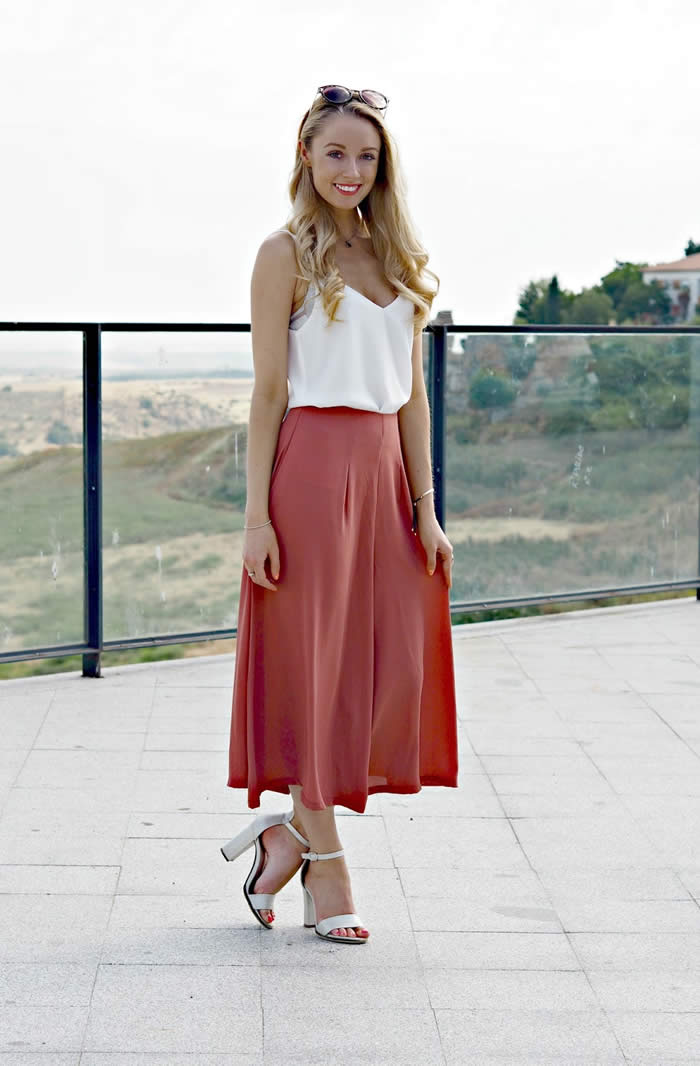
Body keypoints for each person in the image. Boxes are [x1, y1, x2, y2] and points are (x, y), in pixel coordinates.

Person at [222, 85, 459, 945]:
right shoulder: (283, 253)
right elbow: (268, 393)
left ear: (383, 165)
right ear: (306, 156)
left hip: (385, 476)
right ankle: (328, 868)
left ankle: (289, 835)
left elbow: (413, 395)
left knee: (379, 670)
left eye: (366, 155)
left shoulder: (398, 257)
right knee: (311, 668)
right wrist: (257, 517)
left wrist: (425, 508)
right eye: (335, 153)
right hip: (312, 476)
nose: (350, 169)